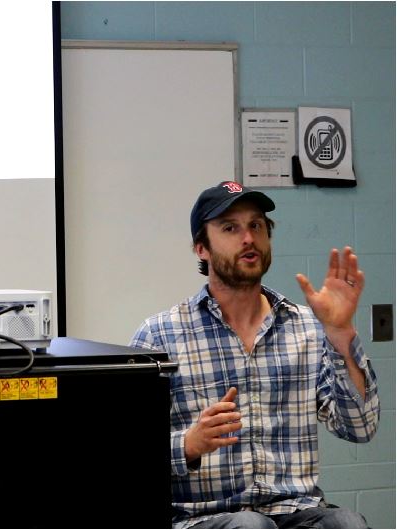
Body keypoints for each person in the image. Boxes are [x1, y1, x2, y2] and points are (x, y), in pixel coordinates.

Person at [130, 181, 379, 529]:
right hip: (204, 517)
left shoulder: (306, 328)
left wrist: (340, 333)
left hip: (295, 511)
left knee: (346, 523)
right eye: (230, 228)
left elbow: (360, 427)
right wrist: (189, 444)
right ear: (201, 248)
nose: (248, 238)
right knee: (250, 526)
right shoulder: (160, 335)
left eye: (256, 226)